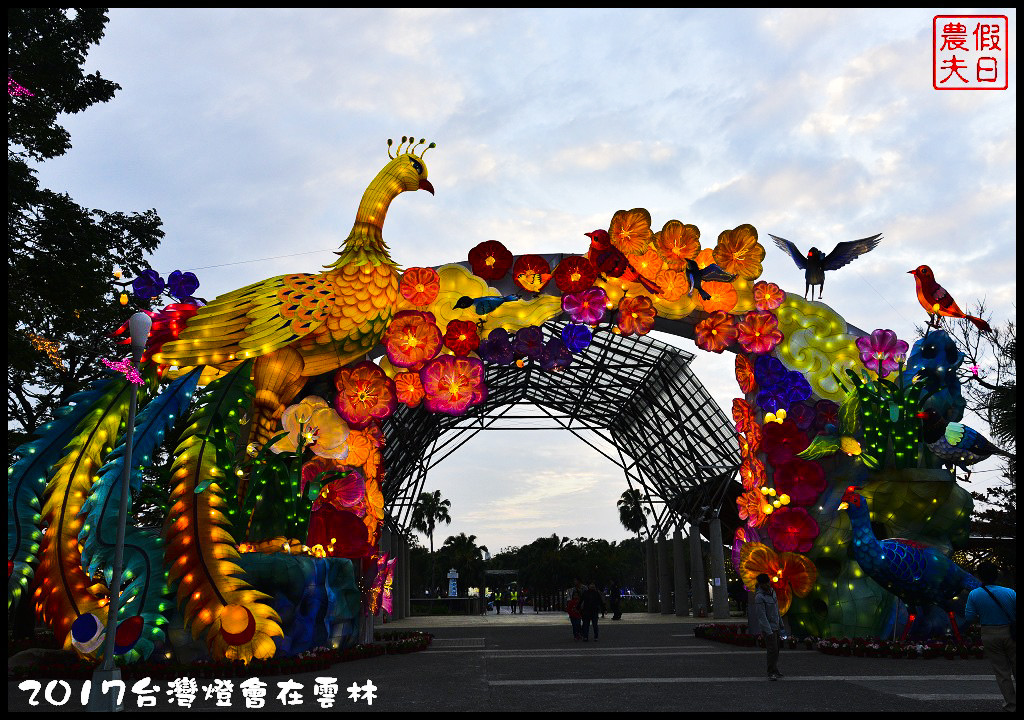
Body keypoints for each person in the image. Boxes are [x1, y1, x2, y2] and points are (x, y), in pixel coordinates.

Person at [964, 562, 1016, 713]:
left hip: (989, 633)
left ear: (979, 576)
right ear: (996, 575)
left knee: (1002, 672)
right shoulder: (1010, 592)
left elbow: (969, 617)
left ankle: (1012, 705)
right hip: (1011, 633)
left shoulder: (974, 594)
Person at [754, 573, 783, 680]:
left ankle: (775, 669)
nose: (767, 585)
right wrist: (769, 631)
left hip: (776, 625)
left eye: (768, 582)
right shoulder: (759, 597)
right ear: (760, 584)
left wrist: (781, 624)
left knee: (777, 650)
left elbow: (777, 610)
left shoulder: (772, 592)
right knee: (772, 650)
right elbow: (762, 616)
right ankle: (771, 672)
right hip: (769, 628)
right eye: (764, 584)